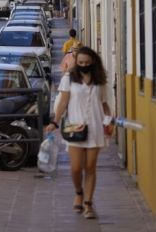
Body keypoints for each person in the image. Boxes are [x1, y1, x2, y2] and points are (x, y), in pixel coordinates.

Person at [46, 47, 111, 220]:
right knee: (75, 168)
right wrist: (55, 121)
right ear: (77, 62)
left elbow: (104, 104)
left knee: (90, 167)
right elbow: (63, 102)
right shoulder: (69, 78)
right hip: (75, 127)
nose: (84, 65)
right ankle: (78, 192)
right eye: (80, 63)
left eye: (87, 63)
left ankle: (88, 204)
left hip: (96, 127)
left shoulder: (100, 80)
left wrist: (109, 120)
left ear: (93, 62)